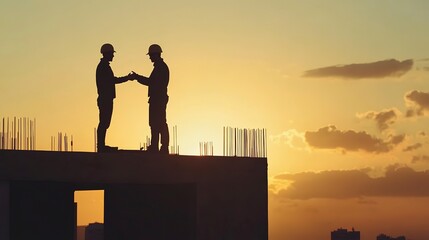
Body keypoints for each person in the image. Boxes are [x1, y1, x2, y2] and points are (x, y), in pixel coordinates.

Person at [131, 44, 170, 154]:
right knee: (156, 123)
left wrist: (137, 77)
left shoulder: (161, 68)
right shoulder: (160, 67)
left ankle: (161, 147)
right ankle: (157, 146)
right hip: (157, 99)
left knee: (159, 123)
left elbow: (151, 82)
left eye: (151, 55)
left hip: (158, 99)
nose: (149, 58)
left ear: (155, 55)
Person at [96, 43, 132, 152]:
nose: (113, 56)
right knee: (104, 122)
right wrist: (127, 78)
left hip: (106, 98)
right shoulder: (103, 67)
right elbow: (112, 80)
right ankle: (101, 146)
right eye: (112, 53)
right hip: (105, 99)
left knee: (105, 122)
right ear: (107, 54)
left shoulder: (104, 66)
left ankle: (101, 145)